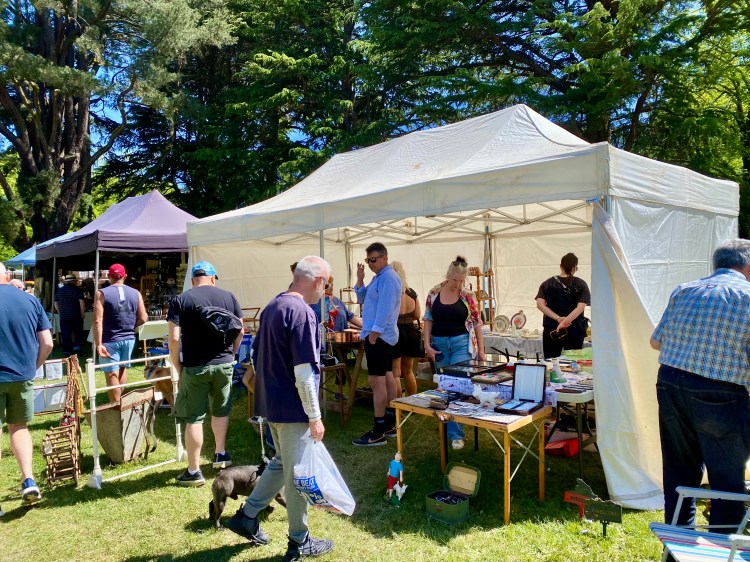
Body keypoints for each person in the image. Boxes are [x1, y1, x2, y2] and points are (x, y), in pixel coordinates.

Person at [226, 256, 334, 561]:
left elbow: (256, 356)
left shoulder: (273, 306)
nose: (326, 290)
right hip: (291, 407)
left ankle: (247, 516)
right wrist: (315, 416)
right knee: (297, 475)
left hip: (272, 404)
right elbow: (304, 372)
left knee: (281, 463)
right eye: (326, 284)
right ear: (317, 280)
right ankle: (299, 541)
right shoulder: (302, 312)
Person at [650, 239, 750, 531]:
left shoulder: (684, 289)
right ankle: (721, 547)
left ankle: (677, 543)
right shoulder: (746, 295)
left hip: (671, 382)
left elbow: (656, 341)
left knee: (678, 470)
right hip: (720, 391)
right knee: (726, 480)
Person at [168, 261, 244, 486]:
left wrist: (176, 364)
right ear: (213, 278)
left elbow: (174, 338)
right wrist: (232, 354)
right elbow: (240, 330)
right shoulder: (229, 297)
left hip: (195, 366)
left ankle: (194, 471)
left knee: (194, 418)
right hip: (224, 364)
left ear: (193, 280)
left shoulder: (181, 300)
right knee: (220, 410)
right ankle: (220, 454)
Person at [0, 263, 53, 512]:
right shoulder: (30, 300)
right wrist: (33, 367)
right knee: (19, 427)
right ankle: (28, 480)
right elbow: (48, 343)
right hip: (22, 374)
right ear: (7, 275)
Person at [423, 256, 485, 450]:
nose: (458, 284)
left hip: (461, 344)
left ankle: (455, 434)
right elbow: (428, 319)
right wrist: (427, 345)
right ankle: (446, 422)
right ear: (447, 276)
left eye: (461, 281)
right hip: (439, 344)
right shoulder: (434, 292)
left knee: (457, 385)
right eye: (455, 280)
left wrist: (481, 351)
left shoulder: (467, 295)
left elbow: (477, 323)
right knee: (444, 386)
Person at [352, 242, 402, 447]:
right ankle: (390, 423)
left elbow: (386, 309)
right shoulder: (378, 277)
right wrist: (360, 279)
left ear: (384, 258)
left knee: (376, 381)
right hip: (380, 335)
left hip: (380, 336)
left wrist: (374, 334)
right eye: (368, 260)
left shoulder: (388, 278)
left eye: (373, 260)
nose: (370, 263)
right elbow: (362, 298)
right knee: (387, 377)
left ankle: (378, 430)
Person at [93, 264, 147, 402]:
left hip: (109, 339)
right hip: (129, 338)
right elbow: (143, 318)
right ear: (125, 276)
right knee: (122, 369)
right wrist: (130, 326)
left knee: (111, 373)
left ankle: (116, 406)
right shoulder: (136, 293)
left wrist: (98, 344)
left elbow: (98, 320)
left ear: (109, 276)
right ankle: (121, 403)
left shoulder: (101, 293)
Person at [535, 252, 590, 359]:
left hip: (552, 328)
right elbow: (580, 307)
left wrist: (558, 319)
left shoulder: (547, 283)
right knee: (573, 362)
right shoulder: (581, 284)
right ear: (575, 268)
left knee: (551, 361)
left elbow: (540, 305)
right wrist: (565, 322)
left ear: (561, 266)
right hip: (574, 328)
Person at [392, 262, 420, 397]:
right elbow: (417, 315)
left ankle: (398, 404)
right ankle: (412, 402)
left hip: (395, 331)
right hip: (410, 332)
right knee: (409, 371)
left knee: (395, 373)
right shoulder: (412, 293)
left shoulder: (391, 293)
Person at [54, 274, 85, 357]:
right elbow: (81, 302)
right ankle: (76, 349)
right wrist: (82, 313)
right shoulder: (78, 290)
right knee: (78, 333)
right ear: (74, 281)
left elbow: (55, 302)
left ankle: (66, 351)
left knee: (65, 334)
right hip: (76, 315)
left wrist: (59, 311)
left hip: (64, 316)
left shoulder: (60, 290)